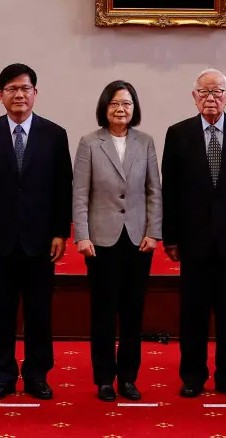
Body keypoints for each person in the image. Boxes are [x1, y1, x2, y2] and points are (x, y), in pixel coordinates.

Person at [0, 63, 73, 401]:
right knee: (0, 310)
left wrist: (60, 231)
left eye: (25, 88)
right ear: (0, 96)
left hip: (41, 239)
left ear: (35, 94)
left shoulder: (55, 135)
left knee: (39, 311)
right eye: (12, 89)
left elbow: (62, 189)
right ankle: (1, 375)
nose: (19, 95)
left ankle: (37, 375)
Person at [161, 68, 226, 399]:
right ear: (194, 97)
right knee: (193, 313)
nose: (210, 98)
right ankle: (192, 376)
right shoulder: (177, 134)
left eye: (217, 92)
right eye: (204, 92)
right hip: (194, 241)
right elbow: (170, 190)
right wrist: (171, 237)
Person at [73, 80, 162, 402]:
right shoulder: (89, 143)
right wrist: (81, 235)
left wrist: (154, 232)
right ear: (104, 107)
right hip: (101, 240)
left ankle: (128, 378)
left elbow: (154, 190)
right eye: (114, 104)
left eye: (126, 103)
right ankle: (104, 379)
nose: (120, 109)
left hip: (138, 239)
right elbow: (80, 193)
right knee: (103, 312)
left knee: (133, 312)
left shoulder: (146, 142)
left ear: (134, 108)